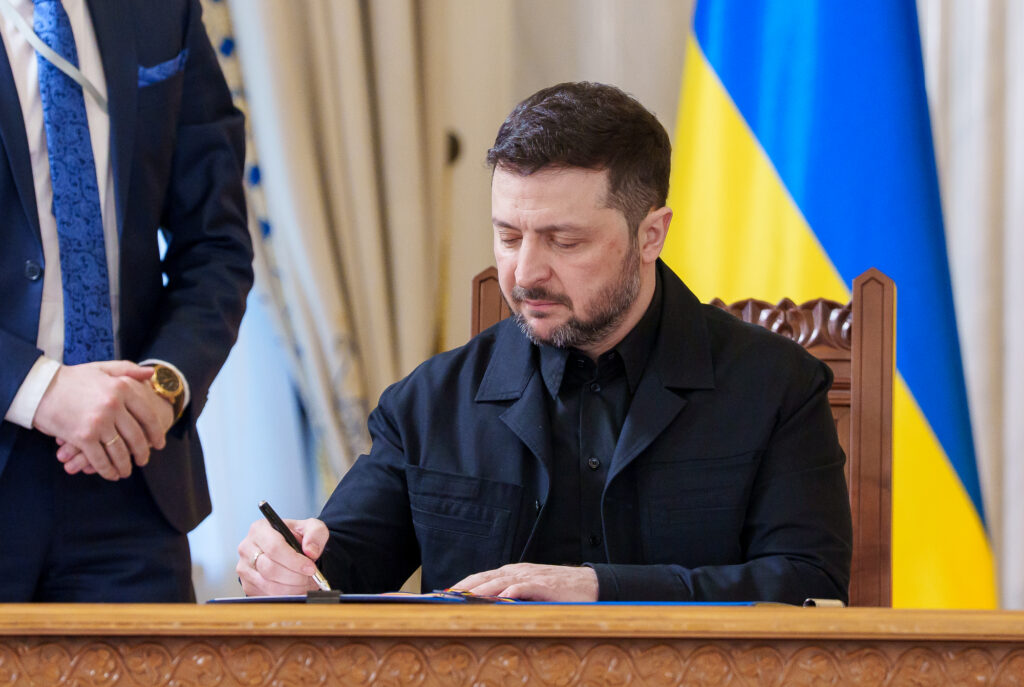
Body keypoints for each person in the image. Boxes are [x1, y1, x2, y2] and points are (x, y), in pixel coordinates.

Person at [237, 82, 851, 604]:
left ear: (651, 235)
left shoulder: (778, 387)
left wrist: (601, 588)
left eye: (564, 241)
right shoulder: (426, 403)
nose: (525, 273)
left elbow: (809, 585)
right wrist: (286, 568)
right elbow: (335, 578)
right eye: (508, 236)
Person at [0, 0, 253, 601]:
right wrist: (39, 390)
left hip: (134, 480)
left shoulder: (163, 12)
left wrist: (164, 387)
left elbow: (215, 246)